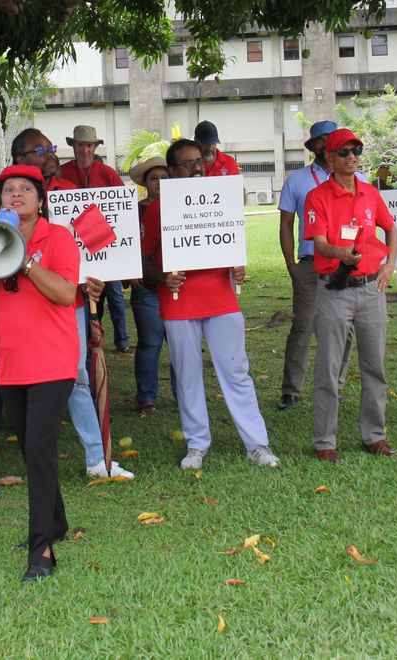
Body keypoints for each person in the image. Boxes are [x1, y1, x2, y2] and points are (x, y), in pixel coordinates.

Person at [141, 139, 280, 470]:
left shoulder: (222, 197)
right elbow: (143, 259)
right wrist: (162, 277)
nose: (196, 167)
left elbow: (229, 242)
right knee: (187, 375)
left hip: (221, 297)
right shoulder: (159, 207)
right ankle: (196, 444)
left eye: (198, 161)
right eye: (186, 164)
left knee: (236, 371)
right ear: (172, 172)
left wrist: (237, 266)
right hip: (178, 302)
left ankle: (257, 444)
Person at [0, 165, 79, 581]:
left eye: (25, 189)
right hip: (10, 362)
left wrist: (26, 263)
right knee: (35, 447)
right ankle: (57, 524)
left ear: (39, 198)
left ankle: (41, 551)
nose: (15, 195)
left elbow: (67, 293)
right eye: (8, 190)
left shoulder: (59, 238)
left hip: (52, 360)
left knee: (38, 448)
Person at [13, 129, 134, 479]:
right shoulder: (7, 202)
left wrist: (98, 275)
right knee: (22, 379)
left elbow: (98, 243)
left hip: (71, 303)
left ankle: (97, 458)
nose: (50, 153)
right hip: (21, 306)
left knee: (79, 375)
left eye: (51, 147)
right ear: (21, 160)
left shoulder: (70, 194)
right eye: (40, 149)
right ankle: (33, 453)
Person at [304, 128, 397, 463]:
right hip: (335, 289)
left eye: (356, 150)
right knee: (329, 369)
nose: (352, 157)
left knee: (375, 366)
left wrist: (389, 265)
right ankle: (324, 441)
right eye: (344, 152)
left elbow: (391, 228)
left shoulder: (370, 193)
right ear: (329, 157)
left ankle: (374, 436)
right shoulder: (317, 197)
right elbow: (318, 244)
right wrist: (340, 253)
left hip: (371, 288)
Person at [276, 120, 355, 411]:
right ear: (314, 147)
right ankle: (291, 390)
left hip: (346, 264)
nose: (326, 144)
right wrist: (290, 264)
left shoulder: (356, 178)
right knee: (303, 326)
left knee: (344, 328)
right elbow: (286, 224)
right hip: (310, 264)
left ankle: (336, 386)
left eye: (331, 139)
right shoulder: (298, 181)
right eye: (321, 140)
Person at [60, 125, 131, 353]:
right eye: (80, 145)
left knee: (104, 300)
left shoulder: (106, 172)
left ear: (95, 147)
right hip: (72, 249)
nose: (85, 150)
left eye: (89, 145)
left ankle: (99, 346)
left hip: (104, 248)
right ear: (74, 146)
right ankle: (82, 347)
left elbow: (123, 208)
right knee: (76, 301)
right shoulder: (62, 173)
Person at [128, 156, 170, 415]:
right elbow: (126, 242)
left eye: (164, 178)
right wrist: (130, 270)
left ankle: (185, 394)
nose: (159, 183)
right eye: (154, 178)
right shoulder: (134, 210)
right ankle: (146, 397)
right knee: (150, 342)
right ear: (145, 182)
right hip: (146, 286)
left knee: (181, 346)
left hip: (178, 287)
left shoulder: (181, 207)